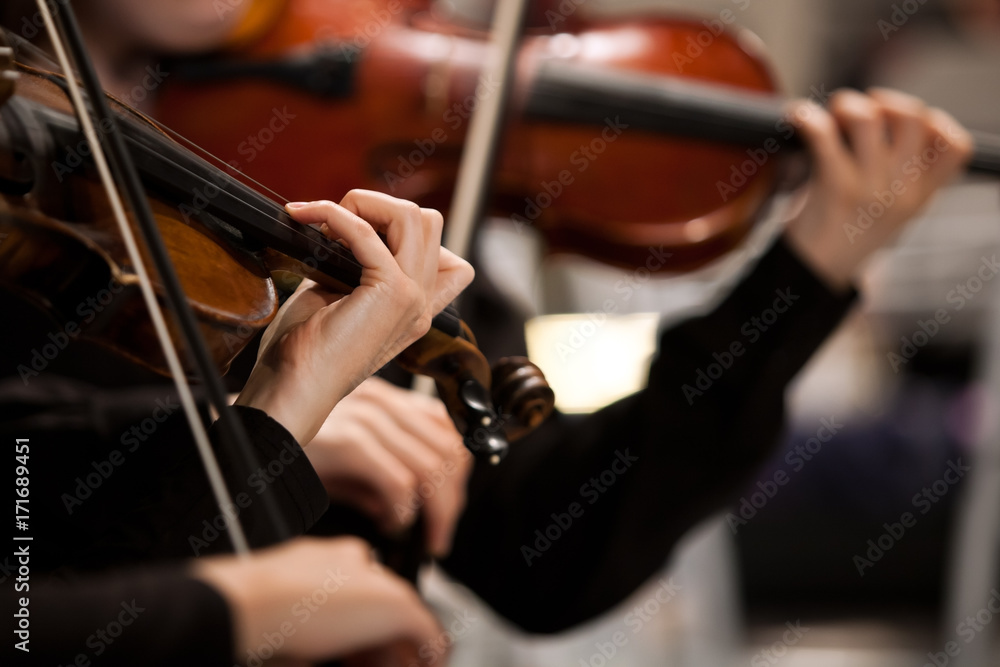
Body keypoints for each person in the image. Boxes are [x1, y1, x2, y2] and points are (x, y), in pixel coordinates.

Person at [0, 0, 977, 659]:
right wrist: (265, 432)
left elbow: (542, 540)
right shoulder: (28, 184)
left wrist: (808, 274)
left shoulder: (353, 146)